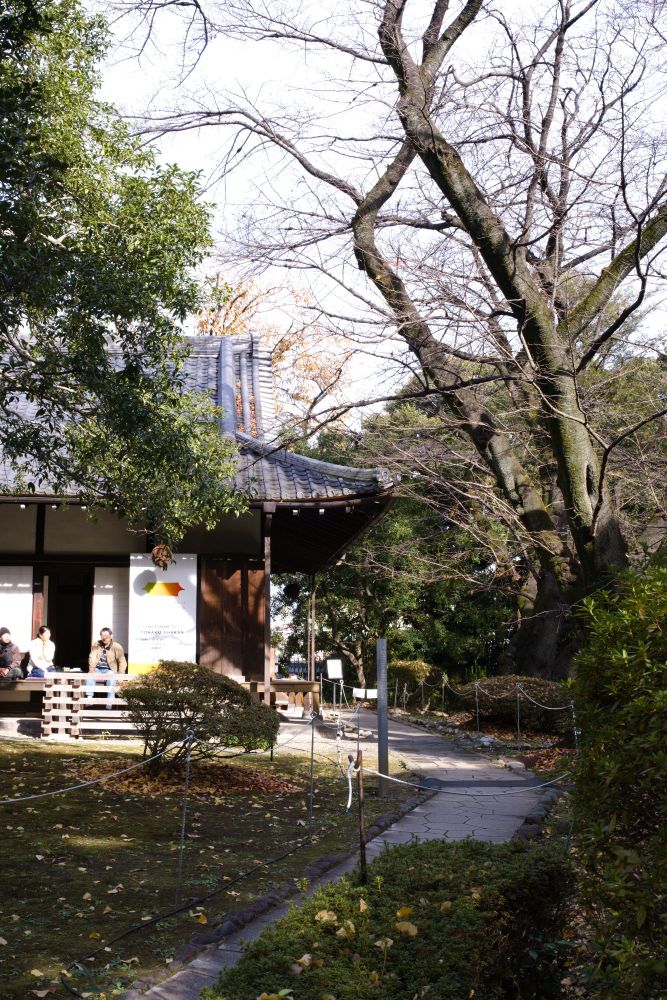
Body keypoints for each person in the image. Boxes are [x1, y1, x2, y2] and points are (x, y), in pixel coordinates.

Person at [87, 627, 127, 703]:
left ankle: (110, 700)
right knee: (89, 676)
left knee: (112, 678)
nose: (104, 638)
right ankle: (89, 697)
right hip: (98, 669)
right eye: (102, 635)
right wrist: (91, 670)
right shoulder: (96, 644)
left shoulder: (117, 647)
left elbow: (122, 661)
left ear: (111, 636)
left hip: (110, 670)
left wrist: (121, 675)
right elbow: (92, 657)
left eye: (106, 636)